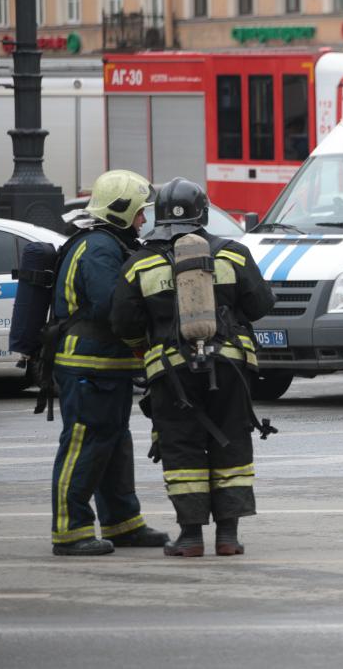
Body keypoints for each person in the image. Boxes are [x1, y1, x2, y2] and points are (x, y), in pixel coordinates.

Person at [111, 178, 275, 557]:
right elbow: (261, 305)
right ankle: (228, 537)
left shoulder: (140, 264)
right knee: (231, 441)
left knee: (181, 448)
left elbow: (123, 323)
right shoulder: (233, 254)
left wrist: (145, 348)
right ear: (202, 214)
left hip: (171, 374)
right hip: (231, 368)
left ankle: (189, 538)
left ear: (160, 217)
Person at [49, 169, 169, 555]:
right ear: (121, 211)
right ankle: (71, 531)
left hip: (107, 365)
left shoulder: (109, 244)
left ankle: (123, 523)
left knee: (114, 443)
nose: (143, 220)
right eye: (139, 213)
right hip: (87, 365)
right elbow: (110, 307)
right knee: (84, 444)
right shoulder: (99, 248)